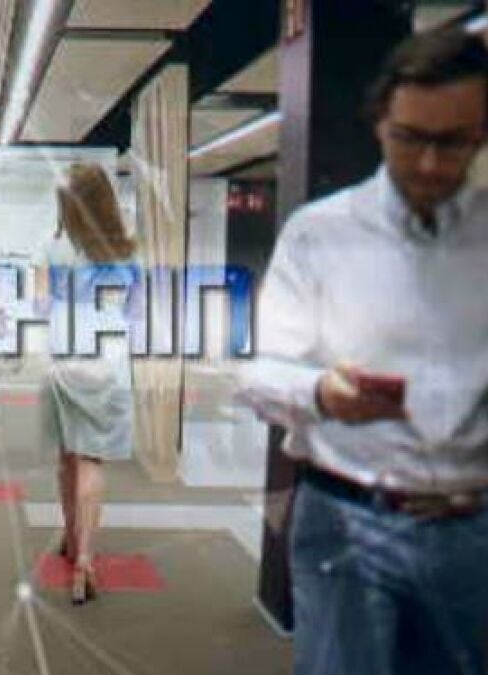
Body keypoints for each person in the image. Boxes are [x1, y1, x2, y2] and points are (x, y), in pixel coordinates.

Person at [238, 27, 488, 674]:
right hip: (345, 517)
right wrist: (321, 394)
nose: (429, 163)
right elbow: (259, 375)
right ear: (381, 123)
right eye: (411, 138)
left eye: (452, 142)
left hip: (474, 527)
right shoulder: (319, 233)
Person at [34, 162, 138, 604]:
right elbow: (135, 309)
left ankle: (71, 537)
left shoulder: (53, 247)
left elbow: (40, 307)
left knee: (67, 457)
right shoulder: (128, 250)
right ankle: (85, 563)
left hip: (65, 359)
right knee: (92, 460)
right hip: (109, 362)